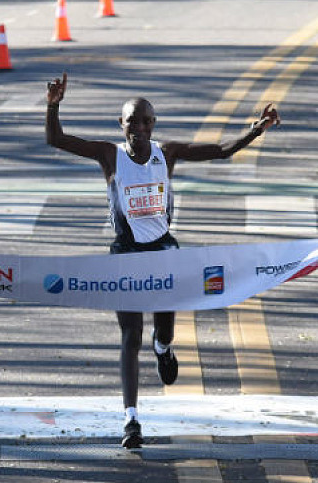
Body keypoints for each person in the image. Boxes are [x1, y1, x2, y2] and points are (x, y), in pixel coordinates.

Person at [44, 72, 280, 448]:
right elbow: (56, 139)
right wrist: (53, 106)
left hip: (163, 251)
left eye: (145, 121)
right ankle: (131, 420)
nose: (139, 128)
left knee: (164, 329)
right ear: (120, 124)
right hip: (125, 254)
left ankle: (164, 347)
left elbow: (221, 151)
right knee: (130, 336)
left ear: (153, 124)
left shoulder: (166, 153)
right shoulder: (109, 154)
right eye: (131, 121)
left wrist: (256, 129)